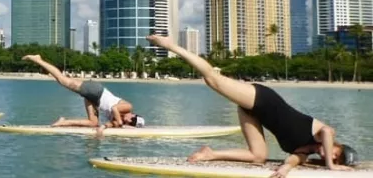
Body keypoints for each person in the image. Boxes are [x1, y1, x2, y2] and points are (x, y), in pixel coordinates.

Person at [146, 34, 358, 177]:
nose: (327, 156)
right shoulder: (322, 134)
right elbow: (329, 131)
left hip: (254, 114)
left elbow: (295, 158)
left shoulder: (306, 149)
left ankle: (210, 153)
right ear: (338, 147)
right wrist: (331, 166)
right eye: (335, 154)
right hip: (263, 99)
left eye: (331, 159)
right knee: (213, 79)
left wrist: (286, 168)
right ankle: (170, 45)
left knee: (258, 156)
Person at [22, 54, 144, 138]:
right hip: (96, 91)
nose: (129, 120)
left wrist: (103, 128)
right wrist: (119, 122)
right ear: (133, 115)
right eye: (132, 119)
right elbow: (114, 108)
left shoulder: (120, 120)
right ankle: (37, 59)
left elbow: (109, 124)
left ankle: (62, 122)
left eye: (131, 123)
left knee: (93, 123)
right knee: (62, 79)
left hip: (94, 99)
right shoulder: (128, 107)